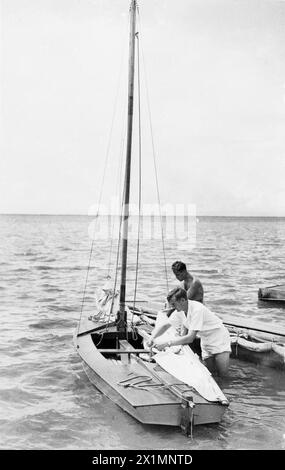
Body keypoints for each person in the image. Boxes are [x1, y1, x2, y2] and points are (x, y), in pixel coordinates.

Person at [147, 287, 231, 377]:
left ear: (182, 300)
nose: (172, 307)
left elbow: (190, 338)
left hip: (219, 339)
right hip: (205, 340)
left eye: (174, 304)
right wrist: (152, 337)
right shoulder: (180, 311)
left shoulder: (197, 310)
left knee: (223, 375)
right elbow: (165, 325)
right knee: (209, 374)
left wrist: (167, 344)